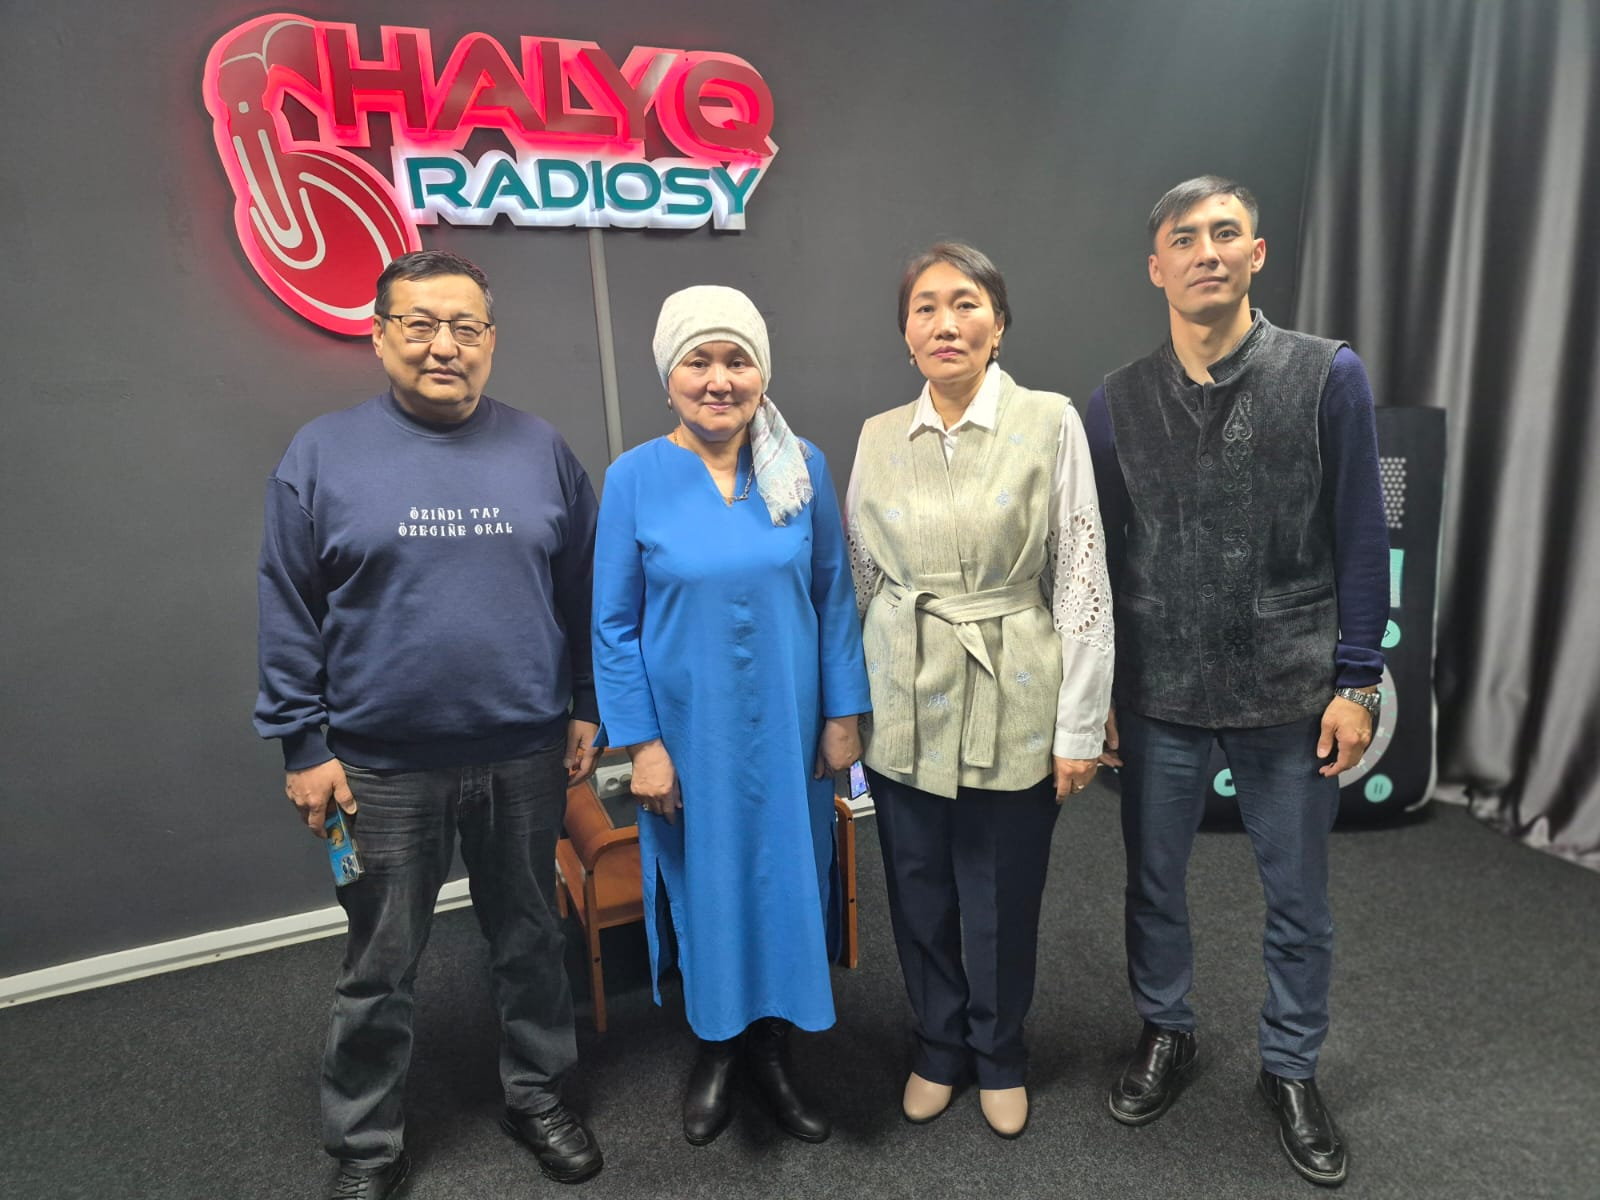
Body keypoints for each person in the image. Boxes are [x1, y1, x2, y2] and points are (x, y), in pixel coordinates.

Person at [255, 250, 605, 1198]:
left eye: (465, 327)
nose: (443, 345)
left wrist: (585, 703)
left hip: (523, 751)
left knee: (531, 942)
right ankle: (367, 1144)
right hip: (379, 768)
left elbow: (582, 592)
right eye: (419, 324)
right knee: (379, 966)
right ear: (379, 337)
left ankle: (537, 1095)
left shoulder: (541, 450)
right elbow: (287, 607)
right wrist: (302, 744)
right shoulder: (321, 455)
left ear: (491, 340)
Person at [1086, 176, 1388, 1188]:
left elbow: (1359, 534)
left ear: (1256, 254)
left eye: (1226, 234)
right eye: (1185, 238)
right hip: (1158, 690)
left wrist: (1359, 680)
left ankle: (1291, 1068)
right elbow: (1097, 557)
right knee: (1151, 884)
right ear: (1156, 267)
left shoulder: (1326, 375)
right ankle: (1165, 1029)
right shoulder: (1116, 401)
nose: (1206, 251)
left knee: (1297, 898)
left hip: (1292, 686)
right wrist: (1099, 694)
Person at [845, 243, 1114, 1138]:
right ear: (905, 333)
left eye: (965, 303)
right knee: (917, 885)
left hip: (1016, 683)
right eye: (925, 307)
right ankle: (937, 1046)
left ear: (998, 325)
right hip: (904, 688)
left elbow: (1081, 576)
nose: (945, 323)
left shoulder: (1048, 421)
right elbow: (858, 577)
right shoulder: (878, 436)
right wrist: (850, 705)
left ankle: (1000, 1053)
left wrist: (1079, 728)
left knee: (1001, 891)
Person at [591, 285, 870, 1147]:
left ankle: (775, 1050)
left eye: (737, 360)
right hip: (690, 737)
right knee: (707, 886)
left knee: (789, 879)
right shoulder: (633, 478)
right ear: (668, 375)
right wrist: (642, 745)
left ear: (762, 373)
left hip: (789, 729)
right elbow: (613, 625)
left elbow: (833, 594)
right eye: (699, 361)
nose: (719, 380)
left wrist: (843, 715)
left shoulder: (801, 467)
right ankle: (717, 1046)